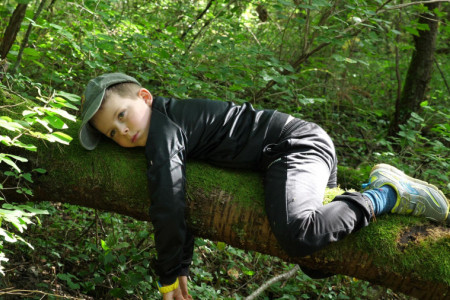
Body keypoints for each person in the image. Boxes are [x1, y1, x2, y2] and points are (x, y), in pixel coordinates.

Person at [78, 73, 449, 300]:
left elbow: (168, 199)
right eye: (113, 133)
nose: (124, 131)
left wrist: (168, 273)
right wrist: (183, 265)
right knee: (317, 263)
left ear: (144, 97)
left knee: (300, 234)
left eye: (122, 115)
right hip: (288, 155)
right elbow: (180, 194)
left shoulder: (163, 127)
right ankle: (368, 197)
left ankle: (386, 192)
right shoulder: (167, 127)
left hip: (295, 145)